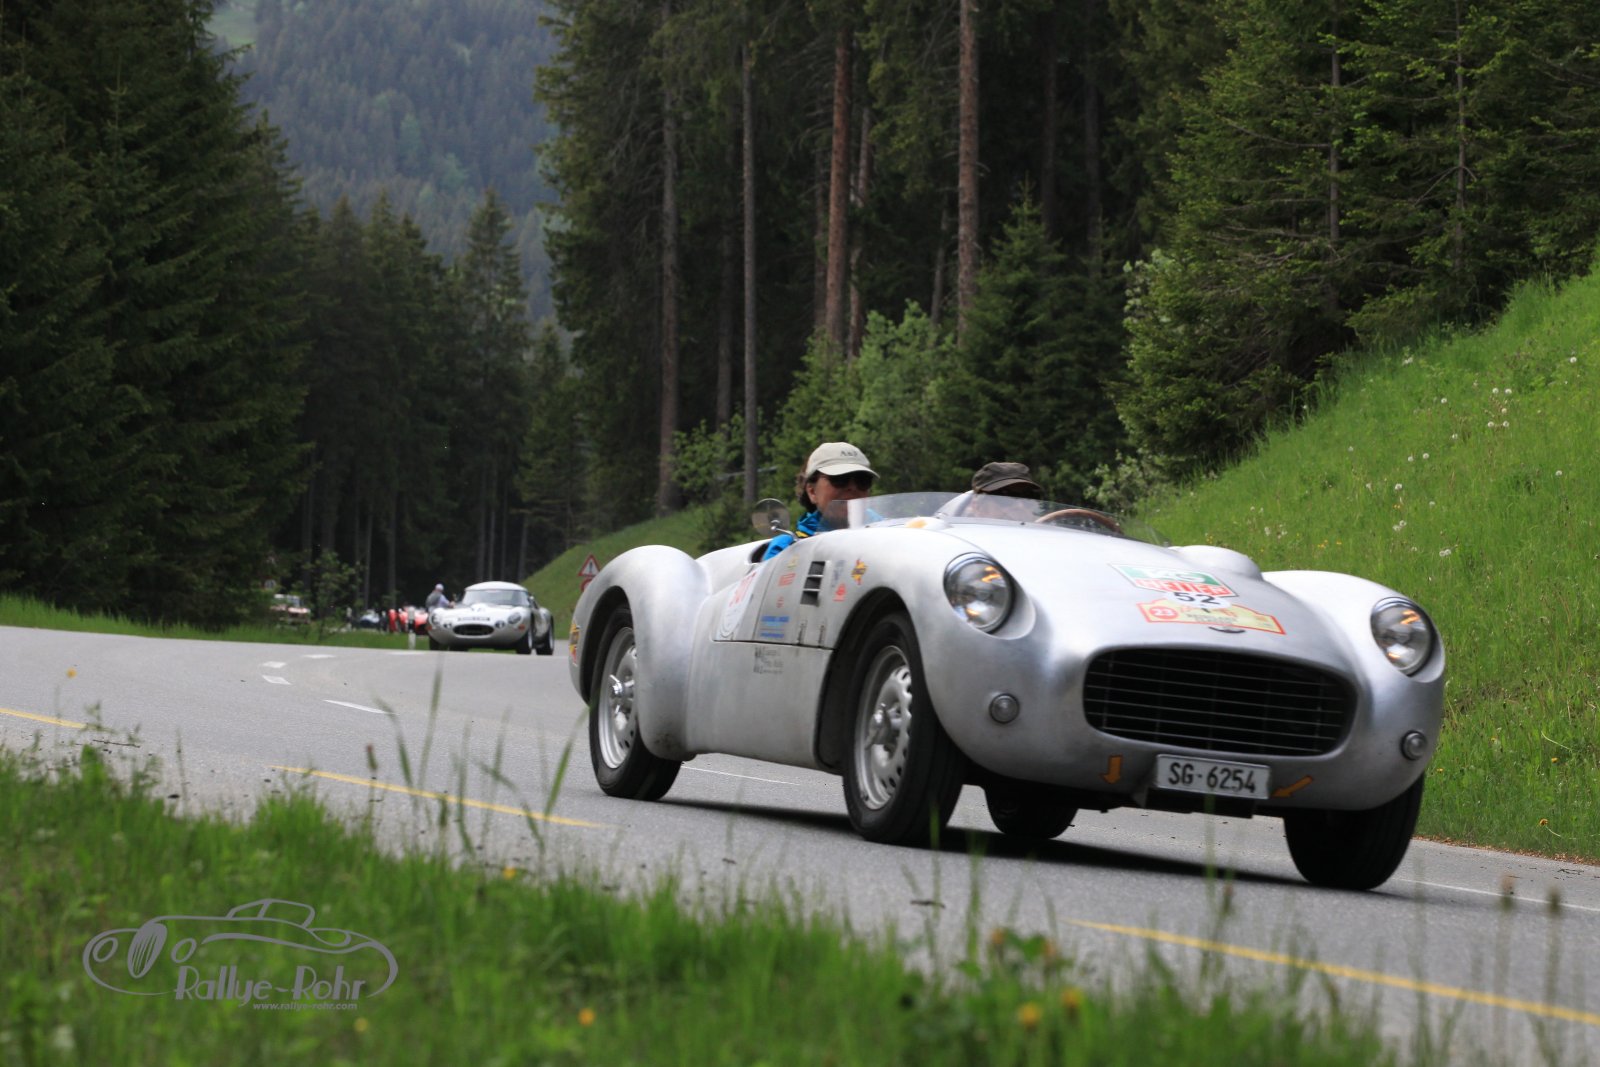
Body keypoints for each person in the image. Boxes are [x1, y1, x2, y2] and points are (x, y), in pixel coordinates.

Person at [761, 441, 877, 560]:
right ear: (812, 492)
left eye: (862, 481)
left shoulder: (884, 535)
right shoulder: (786, 549)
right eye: (840, 479)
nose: (852, 487)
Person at [962, 461, 1044, 519]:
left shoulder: (1044, 534)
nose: (1020, 506)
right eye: (1006, 498)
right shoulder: (961, 535)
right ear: (977, 506)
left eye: (1028, 497)